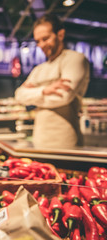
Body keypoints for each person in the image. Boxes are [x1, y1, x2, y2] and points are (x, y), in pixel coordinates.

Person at [15, 14, 90, 149]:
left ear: (60, 35)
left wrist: (33, 94)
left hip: (66, 141)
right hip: (39, 140)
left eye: (45, 39)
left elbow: (63, 96)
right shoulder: (39, 69)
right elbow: (19, 95)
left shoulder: (75, 59)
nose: (41, 45)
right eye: (38, 41)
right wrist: (45, 90)